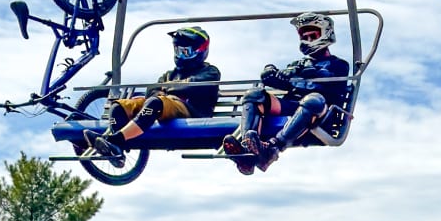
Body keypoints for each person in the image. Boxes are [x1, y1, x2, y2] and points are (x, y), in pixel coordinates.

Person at [221, 12, 351, 175]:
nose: (308, 40)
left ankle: (273, 147)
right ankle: (249, 148)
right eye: (305, 37)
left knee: (313, 100)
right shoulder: (298, 64)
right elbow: (284, 82)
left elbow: (332, 81)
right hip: (294, 105)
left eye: (313, 36)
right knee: (254, 95)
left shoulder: (338, 64)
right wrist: (272, 75)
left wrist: (310, 72)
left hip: (320, 111)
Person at [83, 26, 220, 159]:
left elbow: (189, 86)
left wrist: (164, 90)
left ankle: (116, 140)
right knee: (119, 106)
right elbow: (152, 90)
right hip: (165, 107)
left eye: (185, 52)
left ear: (200, 51)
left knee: (156, 102)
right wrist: (162, 91)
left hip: (191, 113)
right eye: (177, 51)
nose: (180, 56)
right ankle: (115, 148)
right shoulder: (170, 74)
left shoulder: (210, 72)